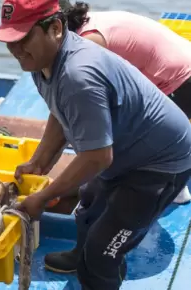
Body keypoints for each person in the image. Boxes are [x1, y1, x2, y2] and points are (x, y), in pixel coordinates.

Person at [0, 0, 191, 289]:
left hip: (159, 165)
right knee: (87, 211)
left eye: (23, 39)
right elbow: (60, 112)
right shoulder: (40, 62)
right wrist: (39, 161)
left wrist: (43, 198)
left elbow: (97, 157)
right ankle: (79, 256)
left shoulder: (78, 74)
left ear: (56, 28)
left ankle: (100, 264)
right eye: (10, 40)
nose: (15, 50)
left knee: (100, 256)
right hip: (126, 149)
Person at [59, 0, 191, 204]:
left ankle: (173, 187)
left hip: (180, 78)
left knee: (140, 136)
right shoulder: (90, 23)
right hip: (179, 60)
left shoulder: (89, 42)